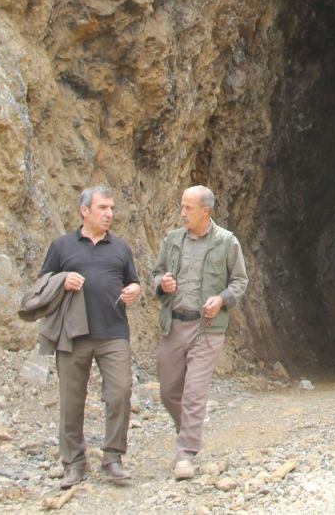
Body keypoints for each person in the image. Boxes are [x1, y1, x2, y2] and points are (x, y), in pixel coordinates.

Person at [37, 185, 141, 488]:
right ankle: (73, 463)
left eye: (112, 208)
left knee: (120, 391)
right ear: (85, 211)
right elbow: (42, 282)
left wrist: (135, 289)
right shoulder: (62, 246)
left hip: (114, 333)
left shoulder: (121, 248)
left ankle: (113, 458)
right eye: (103, 208)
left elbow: (132, 281)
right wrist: (61, 280)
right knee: (71, 399)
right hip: (73, 334)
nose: (109, 214)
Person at [152, 185, 249, 480]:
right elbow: (155, 274)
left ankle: (185, 453)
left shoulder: (226, 242)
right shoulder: (172, 240)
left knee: (194, 393)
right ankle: (189, 433)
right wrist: (161, 283)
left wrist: (221, 299)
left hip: (207, 329)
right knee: (169, 391)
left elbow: (240, 282)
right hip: (174, 325)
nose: (182, 213)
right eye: (182, 206)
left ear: (205, 211)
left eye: (188, 208)